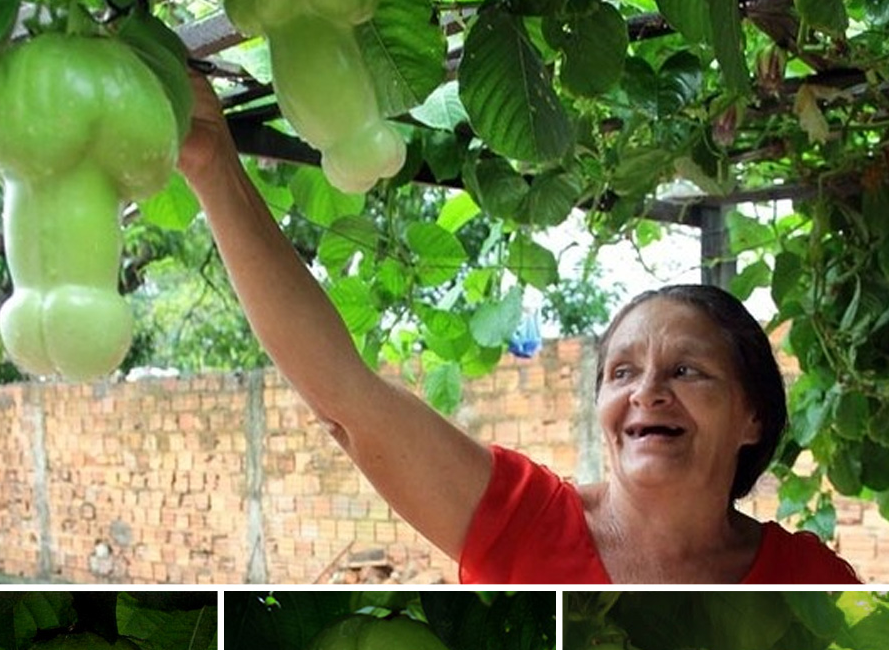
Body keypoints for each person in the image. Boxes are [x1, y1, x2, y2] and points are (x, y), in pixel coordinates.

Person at [178, 73, 860, 587]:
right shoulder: (524, 524)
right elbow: (345, 396)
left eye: (686, 370)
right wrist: (212, 166)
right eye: (621, 372)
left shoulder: (811, 583)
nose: (647, 393)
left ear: (751, 417)